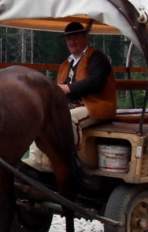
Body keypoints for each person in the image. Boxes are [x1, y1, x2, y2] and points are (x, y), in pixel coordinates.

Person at [26, 22, 117, 170]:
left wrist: (67, 88)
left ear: (85, 39)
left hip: (97, 106)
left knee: (70, 119)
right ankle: (36, 161)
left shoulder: (96, 58)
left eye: (76, 38)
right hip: (71, 106)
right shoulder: (65, 64)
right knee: (40, 119)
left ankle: (71, 163)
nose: (72, 42)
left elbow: (95, 81)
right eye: (69, 39)